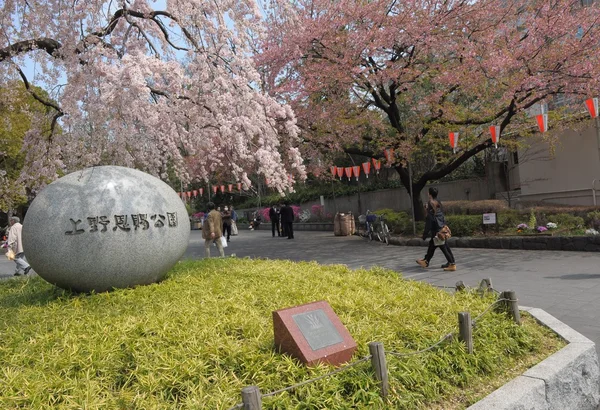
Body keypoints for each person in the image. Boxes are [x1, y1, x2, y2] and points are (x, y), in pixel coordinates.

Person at [416, 187, 456, 271]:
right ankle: (426, 261)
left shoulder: (431, 203)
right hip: (440, 227)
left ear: (429, 194)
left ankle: (452, 264)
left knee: (443, 247)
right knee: (432, 245)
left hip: (437, 230)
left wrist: (425, 234)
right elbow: (439, 214)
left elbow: (430, 219)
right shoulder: (438, 202)